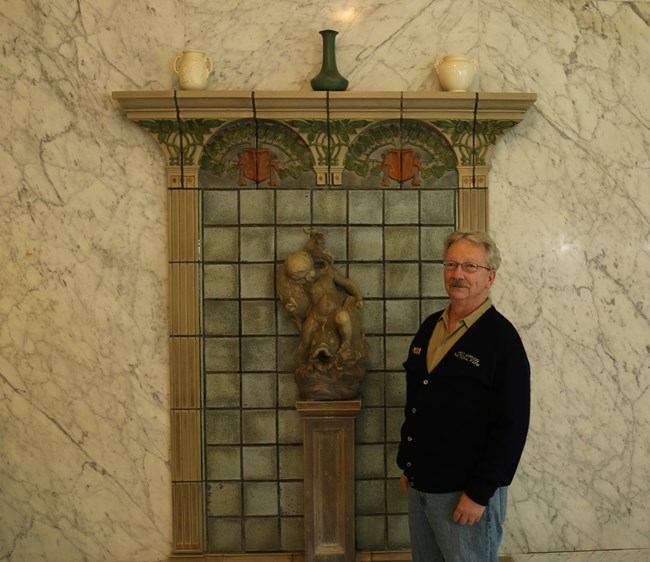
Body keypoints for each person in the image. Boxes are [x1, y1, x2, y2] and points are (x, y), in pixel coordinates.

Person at [397, 230, 530, 562]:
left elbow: (511, 427)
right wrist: (408, 463)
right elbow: (417, 401)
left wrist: (479, 493)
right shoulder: (430, 327)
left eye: (470, 266)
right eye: (452, 264)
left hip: (465, 495)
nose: (458, 274)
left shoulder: (502, 340)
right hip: (421, 487)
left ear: (490, 277)